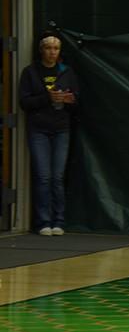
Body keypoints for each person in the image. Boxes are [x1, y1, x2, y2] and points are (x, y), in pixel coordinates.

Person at [18, 34, 78, 236]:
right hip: (39, 129)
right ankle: (43, 221)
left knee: (57, 177)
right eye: (48, 48)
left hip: (61, 128)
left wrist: (70, 100)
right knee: (43, 176)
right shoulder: (30, 72)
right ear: (41, 50)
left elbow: (78, 100)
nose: (52, 52)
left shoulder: (66, 72)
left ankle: (59, 221)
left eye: (56, 48)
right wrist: (47, 98)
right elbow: (24, 102)